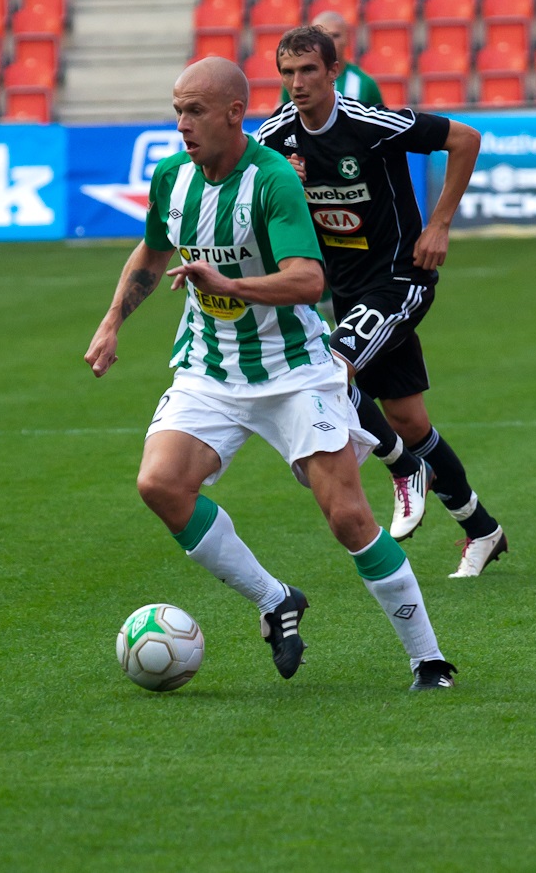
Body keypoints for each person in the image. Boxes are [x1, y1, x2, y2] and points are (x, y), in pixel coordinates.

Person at [85, 56, 457, 690]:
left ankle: (427, 658)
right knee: (161, 485)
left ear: (235, 113)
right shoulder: (172, 178)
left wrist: (228, 282)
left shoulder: (274, 179)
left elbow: (309, 280)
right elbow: (152, 248)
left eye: (195, 110)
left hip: (295, 371)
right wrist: (113, 318)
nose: (182, 124)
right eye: (177, 110)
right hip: (209, 367)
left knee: (347, 515)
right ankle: (275, 598)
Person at [256, 27, 508, 579]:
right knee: (409, 419)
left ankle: (402, 469)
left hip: (400, 277)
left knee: (330, 370)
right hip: (344, 289)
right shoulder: (276, 139)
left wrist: (439, 224)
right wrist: (285, 184)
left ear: (333, 71)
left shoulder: (370, 123)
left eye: (308, 72)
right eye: (288, 73)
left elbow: (465, 137)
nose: (297, 84)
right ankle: (482, 529)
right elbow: (254, 197)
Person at [280, 10, 383, 106]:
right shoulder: (296, 81)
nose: (329, 42)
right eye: (321, 36)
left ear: (347, 38)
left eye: (335, 36)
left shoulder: (366, 83)